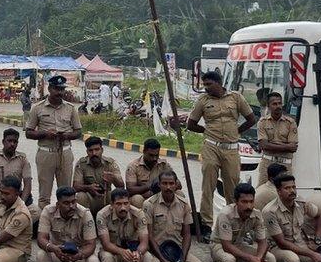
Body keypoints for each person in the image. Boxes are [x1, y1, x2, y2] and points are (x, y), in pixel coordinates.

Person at [178, 70, 255, 239]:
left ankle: (236, 225)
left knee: (233, 187)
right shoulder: (203, 101)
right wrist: (206, 131)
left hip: (231, 148)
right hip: (211, 146)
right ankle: (206, 226)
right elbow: (191, 124)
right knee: (208, 186)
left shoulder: (236, 98)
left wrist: (237, 132)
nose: (206, 88)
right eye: (204, 85)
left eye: (209, 84)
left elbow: (251, 119)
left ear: (218, 83)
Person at [144, 171, 208, 262]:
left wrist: (182, 259)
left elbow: (186, 234)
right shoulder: (149, 204)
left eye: (171, 183)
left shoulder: (184, 205)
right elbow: (149, 236)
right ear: (159, 185)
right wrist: (164, 260)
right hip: (156, 251)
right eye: (164, 183)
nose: (168, 187)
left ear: (176, 185)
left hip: (177, 250)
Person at [26, 75, 83, 206]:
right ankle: (44, 223)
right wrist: (45, 134)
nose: (60, 92)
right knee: (44, 195)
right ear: (50, 89)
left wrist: (67, 136)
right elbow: (29, 133)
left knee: (66, 193)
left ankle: (65, 222)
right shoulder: (37, 108)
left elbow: (78, 131)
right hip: (46, 154)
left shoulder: (71, 108)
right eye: (57, 89)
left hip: (65, 153)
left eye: (62, 89)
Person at [0, 128, 37, 219]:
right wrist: (3, 190)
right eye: (9, 141)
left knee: (37, 212)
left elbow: (28, 184)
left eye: (15, 142)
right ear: (3, 142)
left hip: (16, 196)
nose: (12, 144)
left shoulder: (22, 159)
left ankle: (12, 225)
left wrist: (22, 203)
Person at [73, 136, 124, 217]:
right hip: (90, 199)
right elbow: (75, 186)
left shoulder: (110, 163)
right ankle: (86, 221)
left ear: (102, 150)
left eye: (97, 150)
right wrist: (89, 187)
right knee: (80, 196)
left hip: (106, 198)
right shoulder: (81, 164)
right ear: (87, 151)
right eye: (91, 150)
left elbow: (121, 186)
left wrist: (113, 178)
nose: (94, 153)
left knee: (117, 196)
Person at [256, 92, 299, 184]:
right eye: (274, 104)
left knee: (286, 192)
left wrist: (270, 144)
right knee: (263, 192)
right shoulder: (262, 122)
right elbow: (263, 145)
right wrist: (285, 146)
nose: (278, 106)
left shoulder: (291, 123)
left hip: (285, 165)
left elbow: (293, 148)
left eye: (280, 103)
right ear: (268, 106)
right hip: (267, 164)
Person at [125, 139, 174, 208]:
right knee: (137, 199)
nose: (154, 158)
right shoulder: (133, 166)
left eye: (156, 155)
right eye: (151, 155)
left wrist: (164, 186)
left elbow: (178, 184)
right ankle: (143, 218)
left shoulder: (164, 165)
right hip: (143, 199)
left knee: (179, 194)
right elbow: (130, 190)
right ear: (144, 151)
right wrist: (150, 185)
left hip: (161, 197)